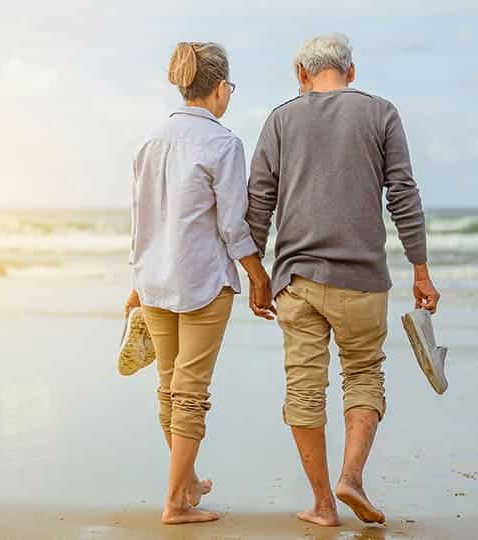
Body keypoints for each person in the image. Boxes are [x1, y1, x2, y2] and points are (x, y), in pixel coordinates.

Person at [246, 33, 441, 527]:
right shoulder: (381, 113)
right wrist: (420, 268)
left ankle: (322, 505)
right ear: (351, 72)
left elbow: (258, 203)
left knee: (305, 388)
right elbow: (403, 194)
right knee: (363, 374)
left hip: (297, 279)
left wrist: (255, 275)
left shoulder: (281, 119)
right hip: (362, 280)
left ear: (302, 76)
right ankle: (351, 476)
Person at [125, 41, 276, 525]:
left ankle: (185, 483)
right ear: (218, 89)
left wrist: (134, 281)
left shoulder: (150, 140)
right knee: (190, 393)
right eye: (229, 86)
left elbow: (139, 221)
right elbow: (233, 225)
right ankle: (175, 503)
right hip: (203, 282)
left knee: (169, 388)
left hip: (153, 281)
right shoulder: (223, 143)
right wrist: (257, 274)